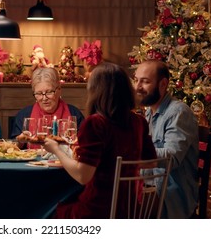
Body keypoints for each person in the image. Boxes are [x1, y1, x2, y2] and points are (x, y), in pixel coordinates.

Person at [42, 62, 157, 218]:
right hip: (129, 210)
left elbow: (83, 177)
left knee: (45, 210)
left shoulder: (96, 123)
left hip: (97, 211)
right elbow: (151, 161)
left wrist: (55, 149)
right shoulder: (139, 122)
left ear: (96, 91)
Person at [134, 59, 199, 219]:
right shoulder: (149, 112)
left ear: (163, 84)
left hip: (171, 195)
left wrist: (133, 152)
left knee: (116, 205)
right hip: (150, 186)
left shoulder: (178, 112)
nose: (137, 87)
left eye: (145, 82)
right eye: (136, 80)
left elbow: (172, 157)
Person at [10, 67, 84, 141]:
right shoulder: (24, 116)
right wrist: (20, 141)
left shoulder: (75, 114)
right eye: (38, 93)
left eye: (49, 92)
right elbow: (14, 147)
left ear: (59, 90)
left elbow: (85, 145)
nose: (44, 98)